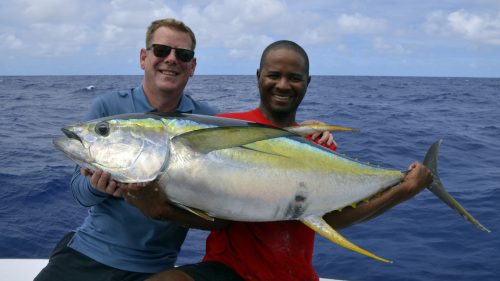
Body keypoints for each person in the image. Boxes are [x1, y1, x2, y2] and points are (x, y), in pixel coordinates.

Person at [141, 40, 433, 281]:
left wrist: (402, 191)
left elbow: (331, 217)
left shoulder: (317, 142)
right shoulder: (225, 128)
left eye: (294, 77)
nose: (282, 85)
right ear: (258, 76)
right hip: (226, 271)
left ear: (307, 82)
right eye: (273, 75)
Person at [34, 18, 230, 281]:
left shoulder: (209, 121)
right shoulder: (108, 108)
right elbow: (78, 193)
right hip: (89, 254)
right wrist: (96, 186)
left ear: (192, 66)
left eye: (183, 54)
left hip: (156, 269)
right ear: (143, 58)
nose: (171, 59)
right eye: (161, 50)